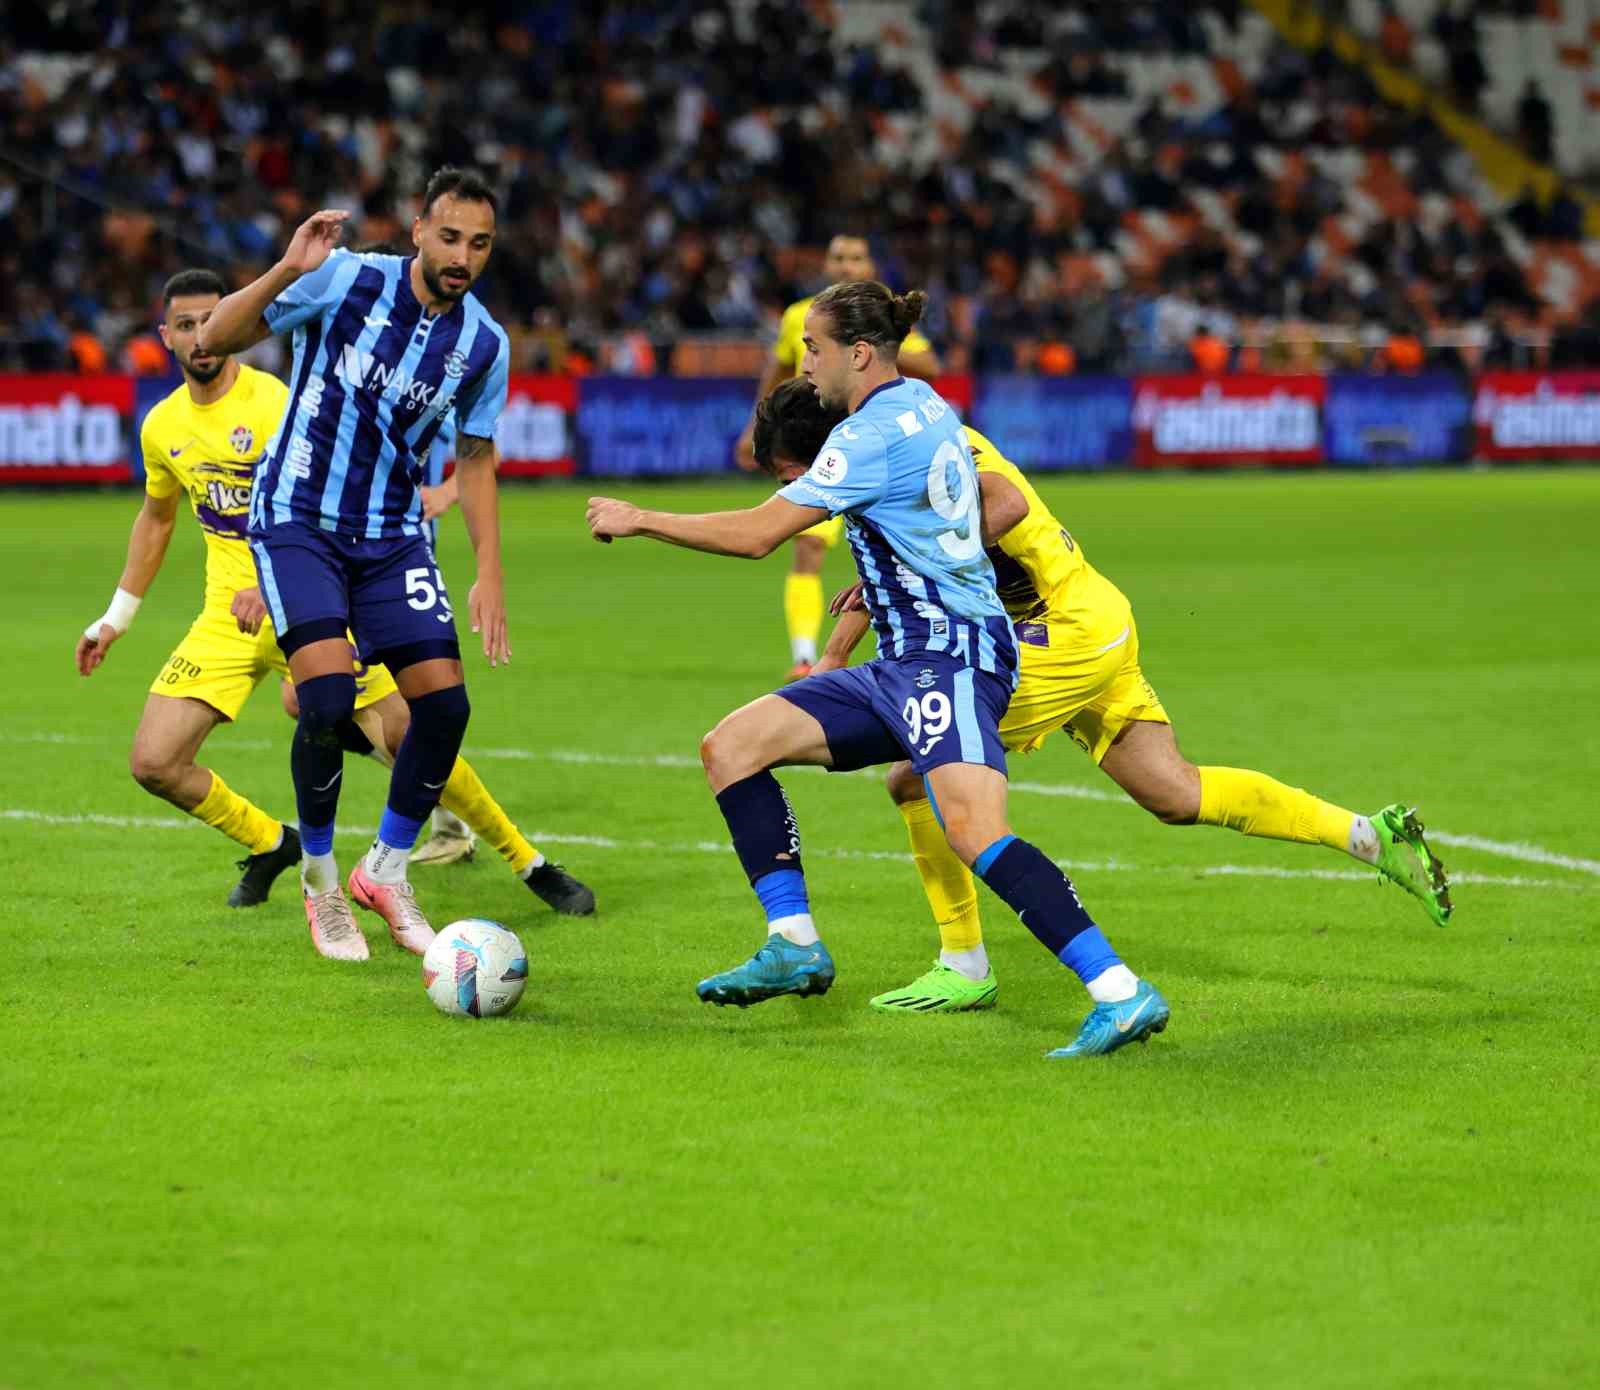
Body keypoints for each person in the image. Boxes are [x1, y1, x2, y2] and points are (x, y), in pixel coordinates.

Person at [588, 281, 1168, 1058]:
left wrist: (643, 518)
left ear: (858, 353)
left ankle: (1119, 990)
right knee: (731, 747)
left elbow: (762, 534)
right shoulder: (923, 403)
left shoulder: (867, 439)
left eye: (815, 349)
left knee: (976, 831)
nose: (806, 364)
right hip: (904, 660)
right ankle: (793, 941)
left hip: (953, 655)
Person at [739, 385, 1452, 1013]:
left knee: (914, 774)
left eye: (788, 477)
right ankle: (1368, 834)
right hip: (1088, 620)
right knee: (1174, 793)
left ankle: (964, 963)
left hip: (1062, 631)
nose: (794, 491)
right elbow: (886, 561)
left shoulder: (915, 443)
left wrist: (934, 552)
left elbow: (1005, 501)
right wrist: (834, 655)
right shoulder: (885, 448)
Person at [75, 269, 593, 954]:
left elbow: (322, 492)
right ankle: (273, 844)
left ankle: (529, 861)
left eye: (210, 319)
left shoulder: (276, 402)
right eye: (184, 324)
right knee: (154, 761)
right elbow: (155, 520)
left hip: (306, 589)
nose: (200, 335)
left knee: (416, 729)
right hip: (225, 619)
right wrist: (115, 617)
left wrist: (278, 573)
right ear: (163, 335)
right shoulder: (162, 425)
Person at [194, 167, 517, 957]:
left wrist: (491, 569)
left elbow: (475, 459)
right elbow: (216, 337)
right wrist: (287, 268)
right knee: (327, 701)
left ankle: (387, 870)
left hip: (392, 531)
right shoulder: (342, 281)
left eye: (478, 243)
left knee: (444, 708)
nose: (462, 256)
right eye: (449, 237)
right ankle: (320, 883)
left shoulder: (484, 343)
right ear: (417, 230)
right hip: (298, 518)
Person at [735, 234, 941, 680]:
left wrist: (870, 341)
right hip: (820, 455)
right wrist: (756, 427)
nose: (846, 266)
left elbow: (930, 366)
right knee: (807, 549)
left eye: (856, 258)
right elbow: (775, 373)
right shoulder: (800, 316)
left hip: (867, 450)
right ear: (825, 266)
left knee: (878, 548)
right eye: (838, 258)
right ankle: (805, 655)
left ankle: (890, 643)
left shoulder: (878, 319)